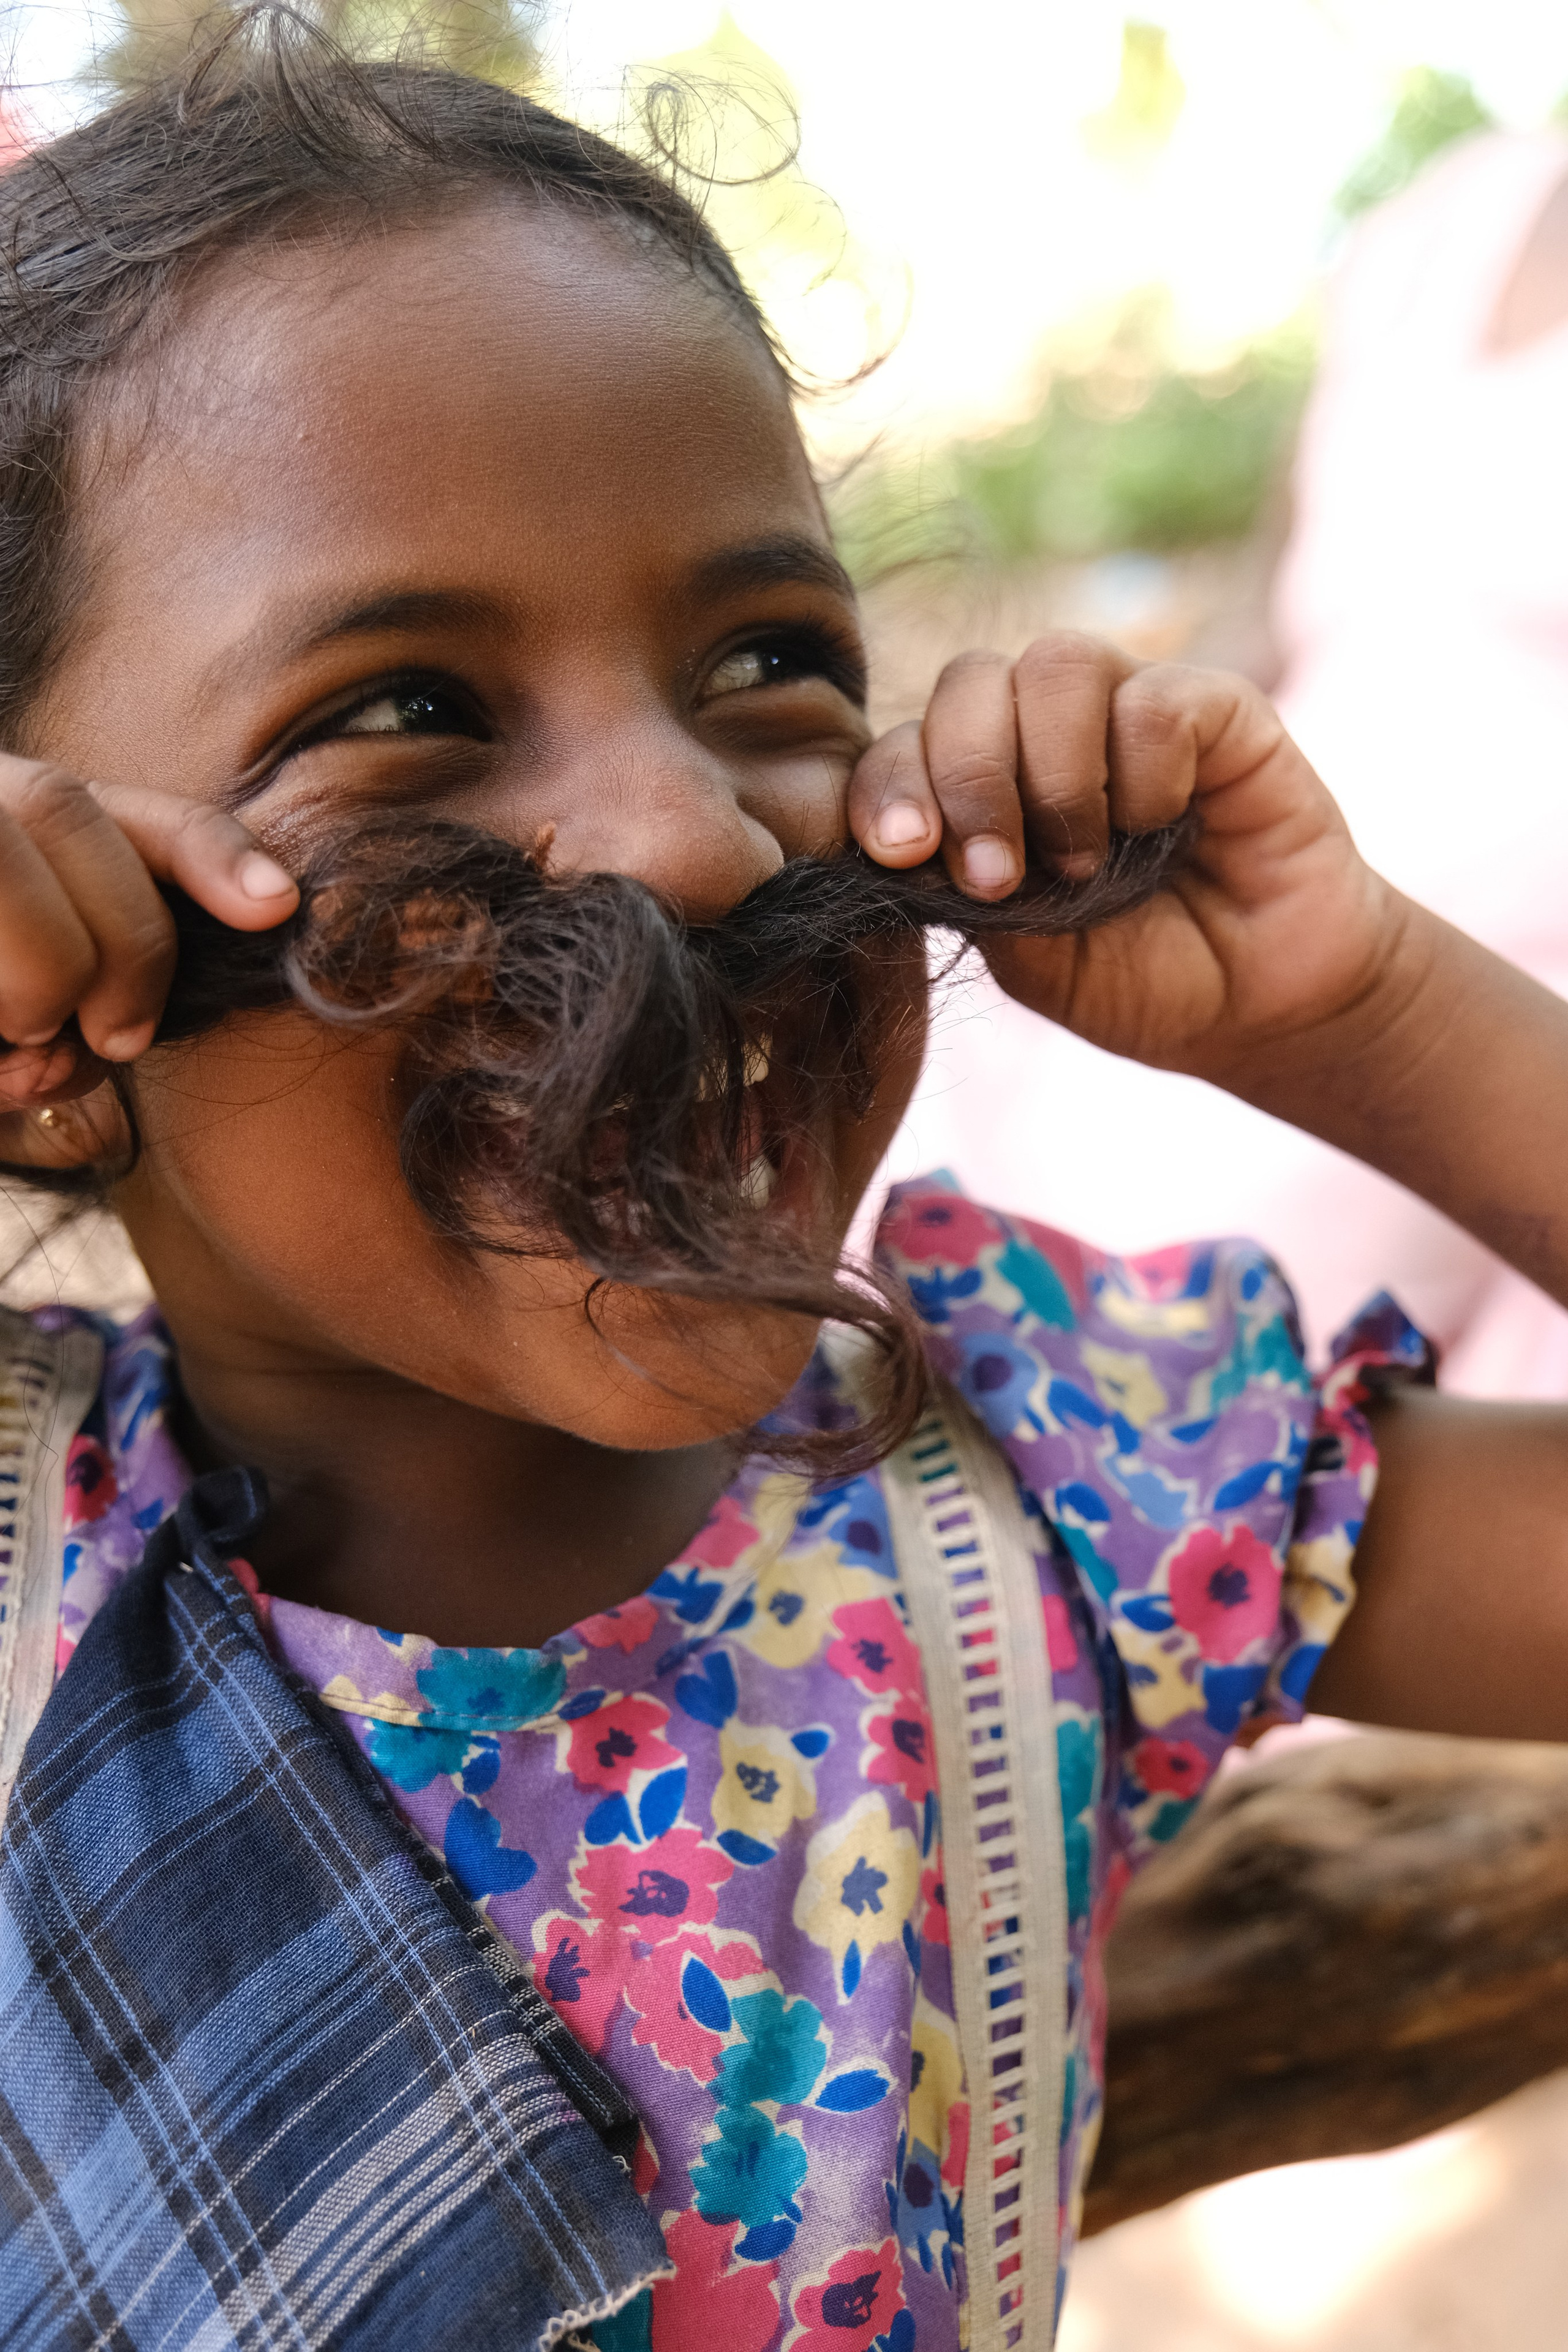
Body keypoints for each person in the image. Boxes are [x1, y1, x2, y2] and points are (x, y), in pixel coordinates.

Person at [3, 23, 1568, 2351]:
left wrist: (1365, 1012)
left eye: (766, 662)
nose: (695, 833)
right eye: (408, 705)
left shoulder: (1051, 1476)